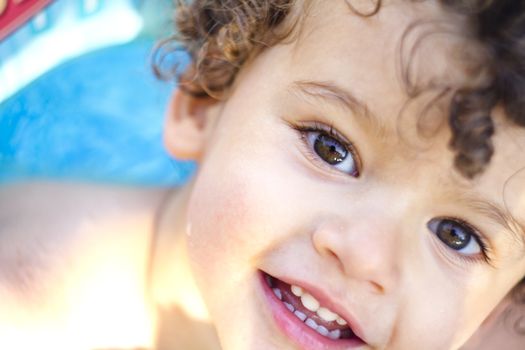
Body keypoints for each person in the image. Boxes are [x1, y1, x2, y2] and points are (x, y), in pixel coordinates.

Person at [1, 0, 525, 349]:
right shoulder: (26, 309)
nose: (367, 256)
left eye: (458, 236)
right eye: (331, 148)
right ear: (204, 100)